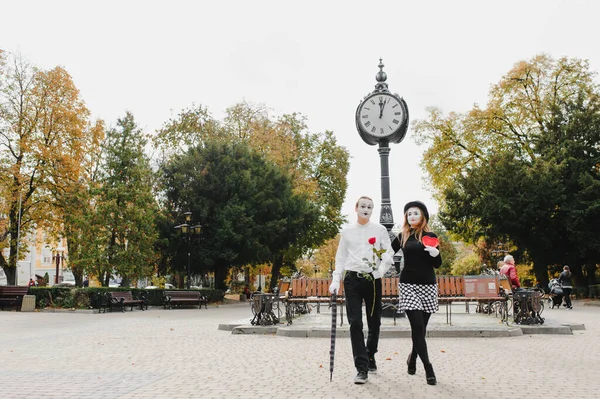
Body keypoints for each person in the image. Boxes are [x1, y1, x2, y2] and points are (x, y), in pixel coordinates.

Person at [328, 196, 394, 385]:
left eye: (370, 207)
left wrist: (380, 271)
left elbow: (388, 252)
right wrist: (336, 279)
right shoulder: (347, 232)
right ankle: (361, 368)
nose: (366, 209)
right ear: (356, 208)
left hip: (372, 281)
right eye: (363, 206)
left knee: (374, 322)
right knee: (355, 323)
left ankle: (370, 353)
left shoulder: (379, 230)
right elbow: (340, 257)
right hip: (352, 280)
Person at [391, 200, 442, 386]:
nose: (411, 216)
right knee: (417, 326)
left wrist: (436, 254)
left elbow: (437, 264)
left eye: (415, 213)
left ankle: (412, 358)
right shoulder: (402, 236)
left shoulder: (430, 235)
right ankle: (428, 367)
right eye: (409, 213)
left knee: (420, 329)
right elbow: (387, 253)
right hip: (408, 285)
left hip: (428, 286)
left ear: (423, 216)